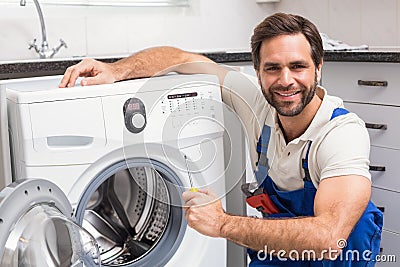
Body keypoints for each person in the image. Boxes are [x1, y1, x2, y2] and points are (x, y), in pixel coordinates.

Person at [60, 12, 383, 266]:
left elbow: (329, 238)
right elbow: (180, 58)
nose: (286, 81)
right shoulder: (254, 101)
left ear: (318, 68)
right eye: (273, 68)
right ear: (257, 72)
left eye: (298, 66)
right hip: (280, 251)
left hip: (337, 257)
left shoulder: (341, 134)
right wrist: (118, 71)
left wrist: (221, 224)